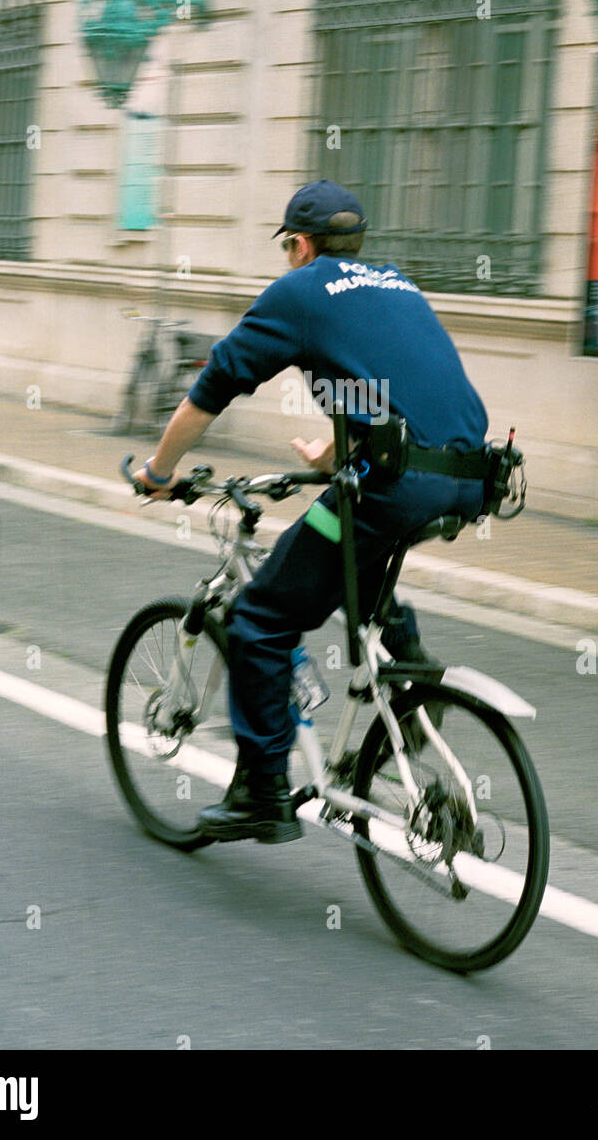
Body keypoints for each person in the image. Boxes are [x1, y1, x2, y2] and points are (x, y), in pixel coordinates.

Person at [133, 179, 489, 843]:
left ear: (299, 245)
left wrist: (158, 472)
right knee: (354, 561)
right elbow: (394, 390)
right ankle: (404, 688)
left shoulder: (299, 291)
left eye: (287, 248)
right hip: (471, 479)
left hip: (398, 484)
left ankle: (260, 792)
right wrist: (332, 455)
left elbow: (212, 389)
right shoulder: (394, 282)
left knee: (260, 616)